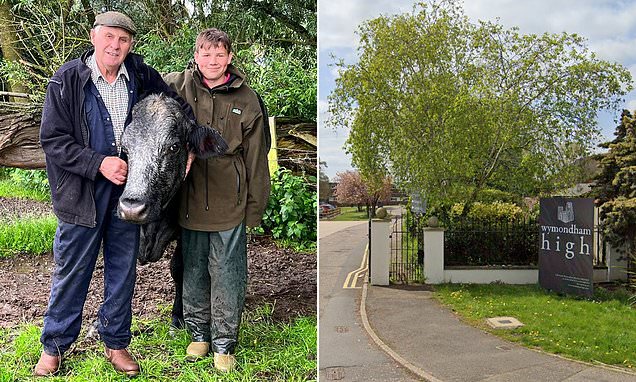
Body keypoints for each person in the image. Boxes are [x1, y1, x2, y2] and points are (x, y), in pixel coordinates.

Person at [36, 11, 194, 377]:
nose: (115, 45)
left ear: (130, 44)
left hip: (129, 192)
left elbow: (176, 108)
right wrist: (98, 163)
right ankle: (54, 346)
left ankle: (116, 342)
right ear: (94, 38)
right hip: (81, 195)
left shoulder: (141, 76)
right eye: (108, 37)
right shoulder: (68, 81)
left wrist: (188, 144)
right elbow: (53, 140)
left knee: (123, 271)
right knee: (73, 270)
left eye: (122, 40)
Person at [164, 28, 271, 372]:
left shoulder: (247, 98)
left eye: (219, 54)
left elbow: (257, 158)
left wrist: (255, 207)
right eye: (206, 53)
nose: (212, 60)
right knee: (193, 269)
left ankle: (225, 343)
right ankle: (199, 334)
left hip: (231, 200)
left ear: (229, 58)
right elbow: (143, 94)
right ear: (195, 55)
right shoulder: (176, 86)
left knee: (226, 272)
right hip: (190, 198)